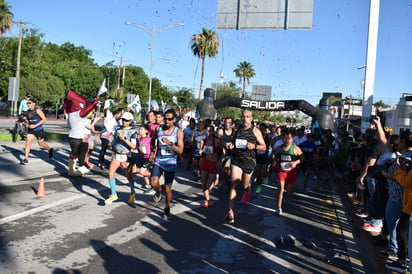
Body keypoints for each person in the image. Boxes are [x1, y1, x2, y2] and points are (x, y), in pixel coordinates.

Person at [225, 110, 266, 224]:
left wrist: (254, 146)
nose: (245, 119)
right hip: (236, 160)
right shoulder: (237, 130)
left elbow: (264, 147)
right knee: (234, 183)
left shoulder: (255, 131)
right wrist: (231, 146)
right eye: (243, 116)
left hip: (249, 161)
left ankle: (248, 189)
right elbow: (234, 143)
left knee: (245, 184)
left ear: (251, 118)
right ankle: (230, 211)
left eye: (247, 117)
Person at [149, 109, 184, 219]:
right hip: (159, 161)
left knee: (168, 188)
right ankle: (159, 190)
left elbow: (180, 151)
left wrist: (170, 144)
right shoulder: (158, 129)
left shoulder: (178, 132)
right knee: (153, 182)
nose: (167, 121)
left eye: (169, 119)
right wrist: (153, 152)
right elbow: (152, 141)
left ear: (174, 120)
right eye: (165, 119)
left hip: (171, 163)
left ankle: (167, 207)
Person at [104, 112, 137, 204]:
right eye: (123, 120)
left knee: (129, 176)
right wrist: (113, 145)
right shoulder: (117, 129)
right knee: (111, 173)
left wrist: (124, 139)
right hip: (116, 154)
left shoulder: (133, 132)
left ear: (130, 121)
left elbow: (134, 146)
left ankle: (132, 192)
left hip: (127, 156)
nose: (124, 122)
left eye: (126, 120)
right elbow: (115, 140)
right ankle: (113, 194)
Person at [273, 128, 304, 215]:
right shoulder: (279, 148)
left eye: (289, 138)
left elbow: (302, 158)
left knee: (289, 191)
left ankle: (287, 193)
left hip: (291, 172)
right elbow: (275, 156)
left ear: (292, 139)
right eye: (285, 138)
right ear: (282, 139)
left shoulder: (295, 148)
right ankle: (278, 208)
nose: (287, 140)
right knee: (280, 189)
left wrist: (296, 162)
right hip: (281, 171)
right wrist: (274, 162)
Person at [20, 98, 53, 164]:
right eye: (27, 103)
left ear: (34, 104)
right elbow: (27, 121)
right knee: (28, 143)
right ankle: (26, 159)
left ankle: (49, 149)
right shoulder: (27, 112)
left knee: (40, 144)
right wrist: (25, 122)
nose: (28, 104)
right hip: (31, 130)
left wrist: (35, 125)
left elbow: (44, 119)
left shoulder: (38, 110)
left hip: (39, 129)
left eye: (29, 103)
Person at [127, 124, 153, 200]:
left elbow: (154, 147)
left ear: (146, 131)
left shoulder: (149, 139)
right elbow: (138, 149)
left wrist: (153, 155)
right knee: (144, 176)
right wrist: (132, 150)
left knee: (141, 171)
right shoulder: (138, 139)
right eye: (139, 129)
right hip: (142, 158)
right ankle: (150, 187)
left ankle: (155, 175)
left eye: (141, 129)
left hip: (149, 158)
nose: (140, 131)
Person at [199, 125, 221, 208]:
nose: (208, 133)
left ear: (213, 132)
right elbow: (201, 150)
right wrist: (200, 152)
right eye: (207, 131)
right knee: (204, 184)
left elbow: (223, 152)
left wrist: (219, 161)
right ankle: (207, 200)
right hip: (205, 162)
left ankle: (216, 179)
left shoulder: (216, 141)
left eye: (210, 131)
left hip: (213, 163)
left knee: (208, 185)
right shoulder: (203, 141)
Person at [218, 117, 235, 193]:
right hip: (223, 153)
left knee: (228, 168)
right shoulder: (221, 131)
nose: (226, 124)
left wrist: (233, 145)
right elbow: (219, 140)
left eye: (228, 122)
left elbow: (237, 141)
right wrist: (223, 145)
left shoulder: (234, 132)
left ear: (231, 124)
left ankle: (230, 182)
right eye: (225, 122)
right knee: (226, 169)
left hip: (232, 153)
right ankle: (227, 182)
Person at [254, 123, 271, 194]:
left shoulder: (268, 137)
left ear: (265, 130)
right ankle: (259, 186)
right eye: (261, 129)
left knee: (263, 172)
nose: (262, 130)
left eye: (263, 129)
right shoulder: (256, 137)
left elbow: (271, 146)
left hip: (265, 157)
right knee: (258, 173)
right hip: (257, 156)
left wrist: (271, 155)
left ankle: (265, 176)